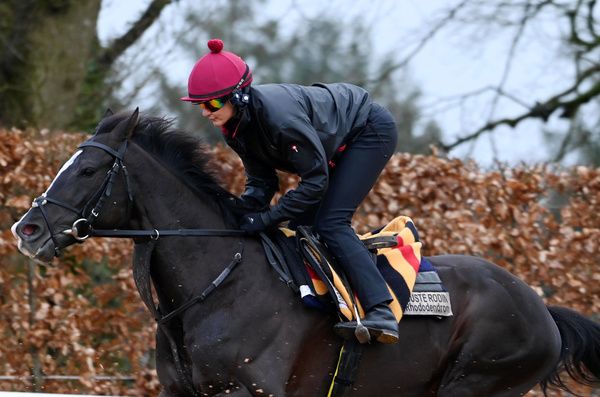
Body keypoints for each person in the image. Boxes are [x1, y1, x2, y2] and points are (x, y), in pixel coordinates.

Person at [181, 39, 399, 344]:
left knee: (331, 223)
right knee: (300, 231)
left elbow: (315, 181)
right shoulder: (235, 129)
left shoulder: (280, 122)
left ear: (240, 96)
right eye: (199, 104)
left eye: (213, 103)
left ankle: (381, 310)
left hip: (367, 131)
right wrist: (238, 213)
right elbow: (262, 183)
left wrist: (267, 219)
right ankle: (333, 307)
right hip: (327, 146)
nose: (205, 112)